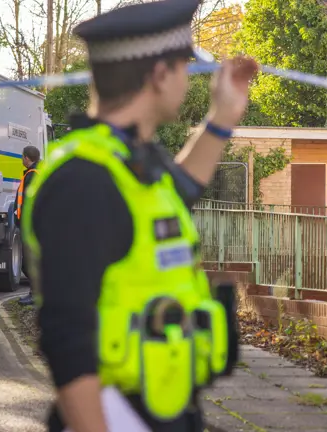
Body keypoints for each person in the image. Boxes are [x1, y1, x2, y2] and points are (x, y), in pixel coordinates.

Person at [20, 1, 259, 431]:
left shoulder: (128, 159)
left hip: (162, 409)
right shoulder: (84, 179)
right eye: (184, 67)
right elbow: (66, 337)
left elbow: (177, 192)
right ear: (160, 74)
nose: (189, 79)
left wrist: (224, 116)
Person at [15, 145, 40, 307]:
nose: (22, 159)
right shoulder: (37, 172)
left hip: (31, 225)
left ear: (26, 157)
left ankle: (36, 294)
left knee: (29, 261)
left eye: (22, 157)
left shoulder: (32, 175)